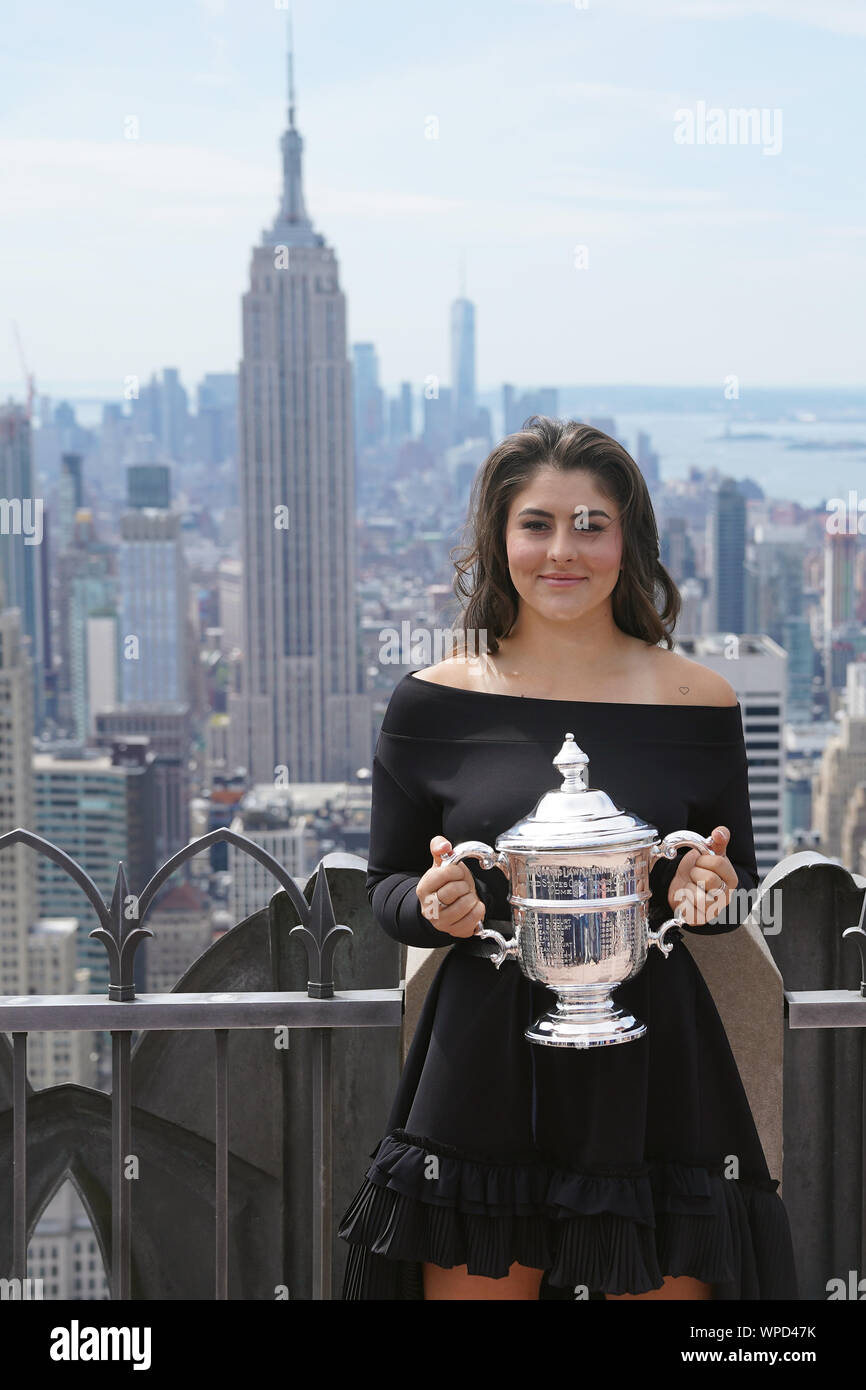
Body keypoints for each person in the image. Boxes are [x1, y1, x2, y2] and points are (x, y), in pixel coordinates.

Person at [338, 417, 799, 1301]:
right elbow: (385, 887)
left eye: (592, 524)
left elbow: (725, 883)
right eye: (537, 524)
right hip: (482, 1062)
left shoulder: (701, 700)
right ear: (498, 540)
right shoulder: (432, 701)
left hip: (654, 1060)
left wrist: (709, 890)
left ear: (630, 543)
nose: (564, 549)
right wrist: (432, 906)